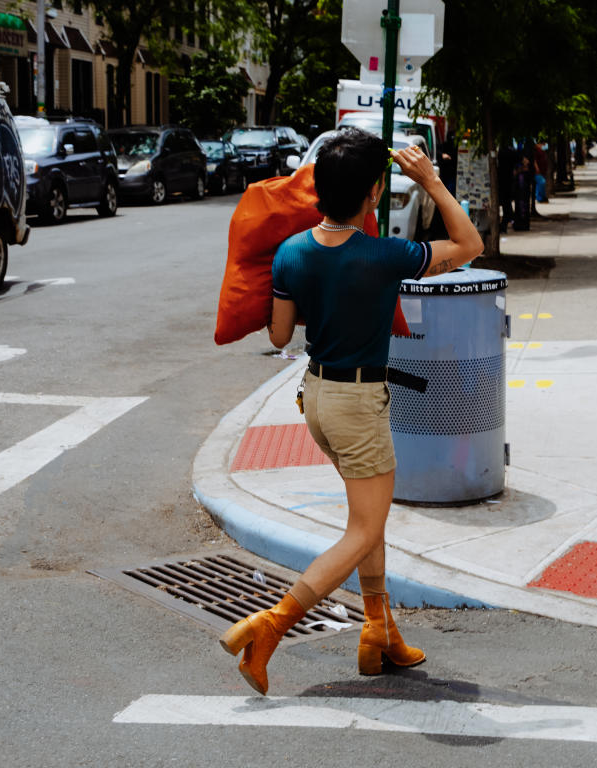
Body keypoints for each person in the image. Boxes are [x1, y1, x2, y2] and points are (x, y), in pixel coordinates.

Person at [218, 128, 483, 695]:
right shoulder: (385, 254)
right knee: (363, 529)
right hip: (359, 403)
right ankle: (269, 628)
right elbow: (469, 245)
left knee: (369, 518)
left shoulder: (291, 252)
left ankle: (378, 632)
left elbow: (281, 333)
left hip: (315, 397)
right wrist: (431, 181)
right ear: (373, 191)